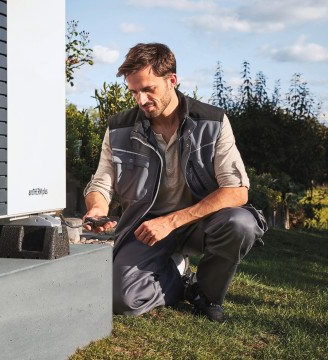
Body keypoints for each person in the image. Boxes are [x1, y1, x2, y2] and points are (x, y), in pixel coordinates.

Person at [83, 43, 267, 322]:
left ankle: (207, 295)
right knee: (121, 299)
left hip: (200, 221)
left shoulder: (213, 121)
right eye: (134, 92)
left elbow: (237, 190)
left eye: (148, 89)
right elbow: (102, 182)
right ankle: (180, 278)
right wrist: (96, 209)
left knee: (241, 223)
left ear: (172, 80)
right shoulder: (118, 128)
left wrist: (171, 222)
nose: (141, 100)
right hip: (145, 225)